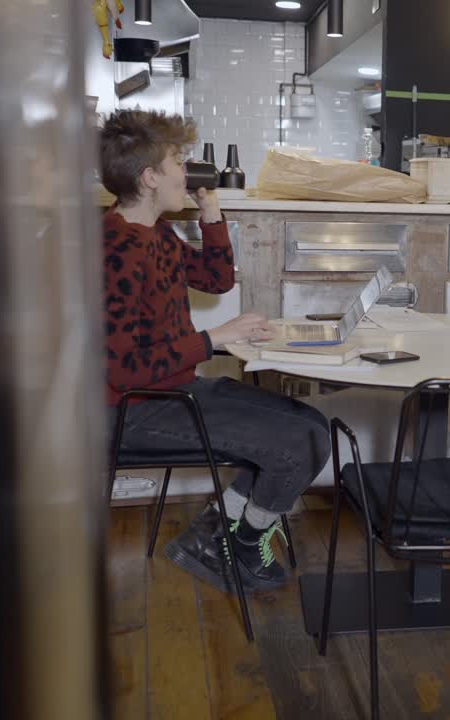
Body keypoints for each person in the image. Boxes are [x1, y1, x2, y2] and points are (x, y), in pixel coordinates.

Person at [100, 109, 329, 592]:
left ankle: (214, 533)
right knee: (295, 446)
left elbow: (216, 279)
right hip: (133, 412)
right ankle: (242, 542)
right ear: (149, 178)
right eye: (178, 163)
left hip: (177, 390)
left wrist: (211, 215)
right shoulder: (115, 249)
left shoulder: (156, 234)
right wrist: (215, 339)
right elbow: (123, 372)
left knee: (311, 425)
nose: (188, 172)